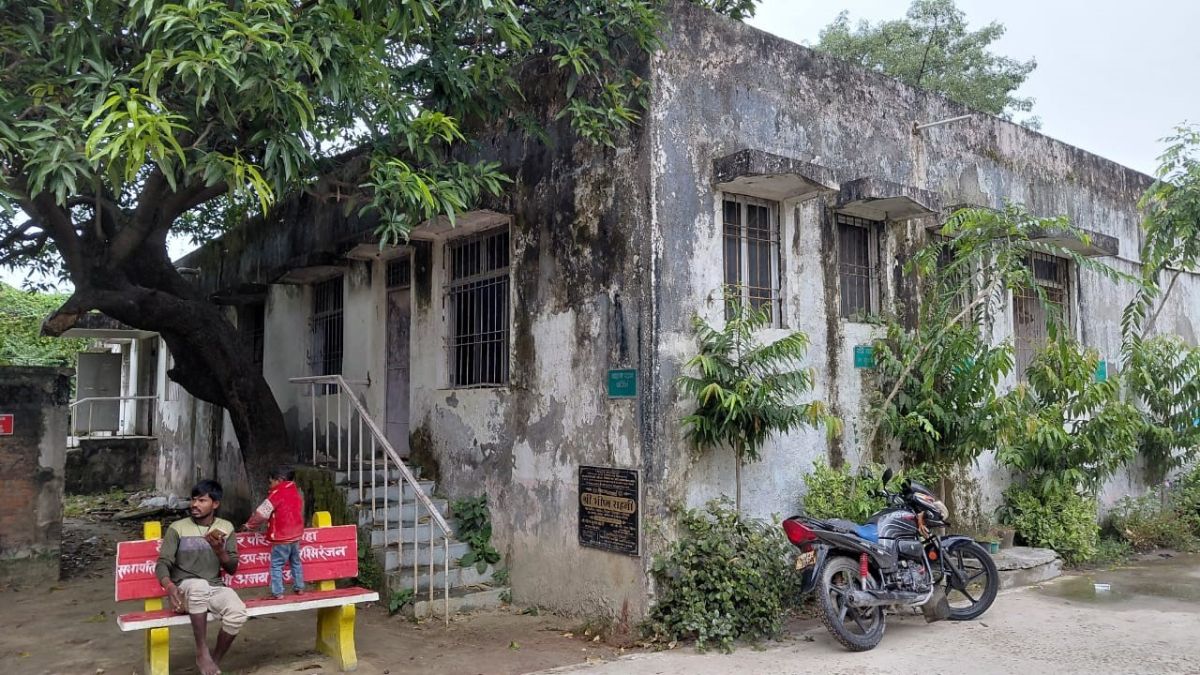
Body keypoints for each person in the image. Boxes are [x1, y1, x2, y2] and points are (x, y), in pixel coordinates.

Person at [156, 480, 246, 675]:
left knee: (237, 611)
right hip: (184, 590)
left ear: (215, 504)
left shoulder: (226, 527)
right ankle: (202, 651)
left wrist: (219, 550)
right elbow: (162, 563)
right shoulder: (177, 528)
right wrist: (170, 587)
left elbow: (232, 569)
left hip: (213, 587)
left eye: (202, 500)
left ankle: (213, 663)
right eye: (193, 499)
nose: (194, 505)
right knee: (199, 586)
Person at [242, 465, 306, 599]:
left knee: (276, 565)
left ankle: (277, 592)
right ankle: (299, 587)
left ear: (279, 480)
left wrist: (249, 526)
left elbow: (261, 514)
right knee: (295, 562)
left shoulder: (277, 494)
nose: (269, 485)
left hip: (281, 536)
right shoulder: (296, 491)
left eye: (271, 482)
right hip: (296, 535)